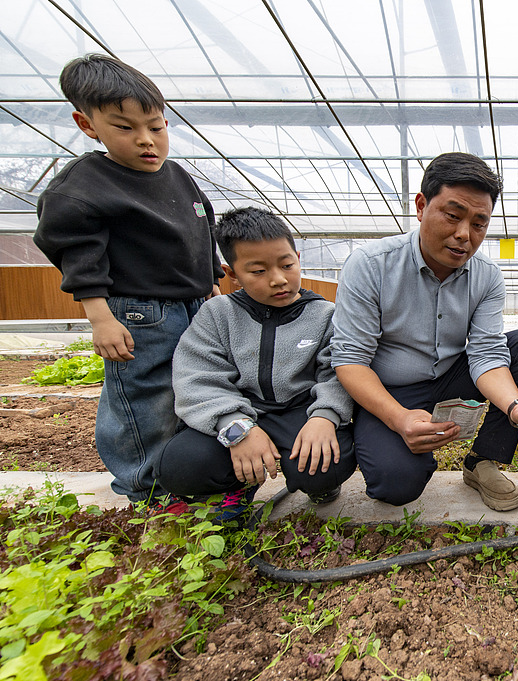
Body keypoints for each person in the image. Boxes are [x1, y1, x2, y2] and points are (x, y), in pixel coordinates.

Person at [33, 54, 221, 506]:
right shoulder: (84, 185)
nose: (146, 141)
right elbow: (78, 253)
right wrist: (100, 318)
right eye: (124, 127)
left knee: (192, 386)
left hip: (194, 304)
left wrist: (212, 282)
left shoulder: (176, 176)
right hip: (139, 313)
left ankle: (180, 476)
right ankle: (145, 487)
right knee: (144, 395)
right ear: (87, 123)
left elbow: (202, 229)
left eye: (156, 127)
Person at [331, 152, 518, 510]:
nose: (463, 235)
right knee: (395, 485)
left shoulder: (486, 276)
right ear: (422, 206)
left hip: (451, 375)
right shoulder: (370, 265)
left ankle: (481, 462)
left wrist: (515, 407)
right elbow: (350, 360)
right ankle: (374, 434)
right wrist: (399, 418)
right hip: (393, 389)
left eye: (479, 224)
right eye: (453, 216)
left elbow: (486, 353)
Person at [155, 207, 356, 520]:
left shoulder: (324, 315)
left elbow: (337, 374)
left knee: (325, 466)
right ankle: (236, 485)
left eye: (287, 265)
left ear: (297, 257)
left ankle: (318, 485)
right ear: (232, 273)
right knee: (179, 465)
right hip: (238, 408)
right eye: (258, 271)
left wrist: (325, 417)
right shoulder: (217, 315)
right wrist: (238, 429)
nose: (278, 280)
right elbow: (197, 378)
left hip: (298, 412)